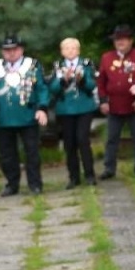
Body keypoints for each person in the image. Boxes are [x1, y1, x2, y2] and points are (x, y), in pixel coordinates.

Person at [0, 36, 49, 197]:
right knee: (7, 154)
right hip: (4, 117)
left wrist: (42, 108)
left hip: (28, 115)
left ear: (21, 50)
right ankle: (12, 184)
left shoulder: (32, 66)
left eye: (14, 49)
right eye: (7, 50)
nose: (11, 53)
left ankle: (35, 184)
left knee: (32, 152)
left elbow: (42, 89)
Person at [97, 25, 135, 180]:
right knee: (111, 138)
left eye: (123, 39)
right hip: (114, 104)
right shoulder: (107, 57)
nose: (120, 42)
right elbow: (101, 81)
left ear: (130, 41)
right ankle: (109, 168)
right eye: (117, 40)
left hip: (134, 105)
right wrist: (103, 100)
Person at [49, 38, 99, 189]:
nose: (70, 51)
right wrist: (63, 80)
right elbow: (53, 88)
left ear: (78, 50)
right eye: (66, 48)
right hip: (65, 109)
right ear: (62, 51)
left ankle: (90, 175)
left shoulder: (86, 64)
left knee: (83, 140)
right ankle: (73, 177)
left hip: (84, 107)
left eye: (73, 48)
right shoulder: (58, 66)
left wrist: (81, 79)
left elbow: (92, 86)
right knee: (69, 143)